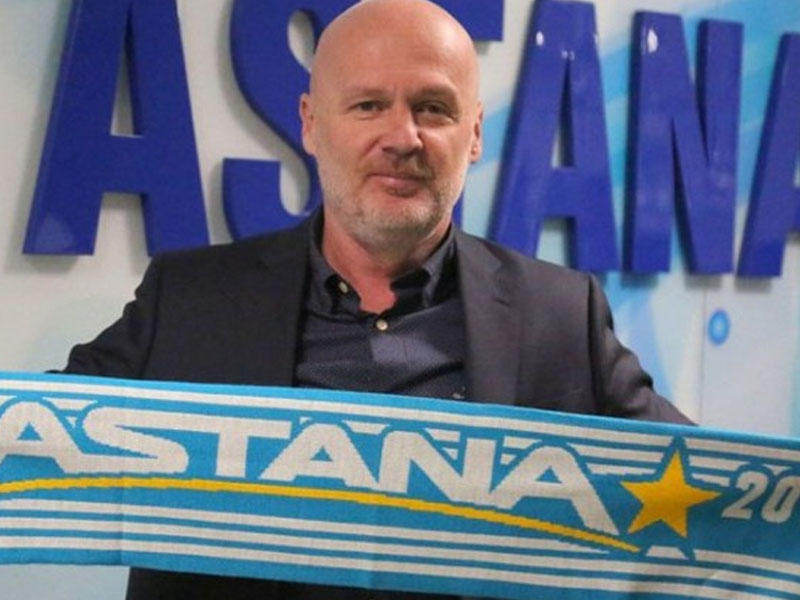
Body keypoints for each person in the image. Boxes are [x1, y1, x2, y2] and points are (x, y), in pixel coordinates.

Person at [62, 0, 691, 597]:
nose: (402, 137)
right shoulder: (188, 301)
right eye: (368, 105)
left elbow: (708, 490)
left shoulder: (562, 316)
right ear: (311, 123)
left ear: (474, 133)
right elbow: (35, 442)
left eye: (433, 108)